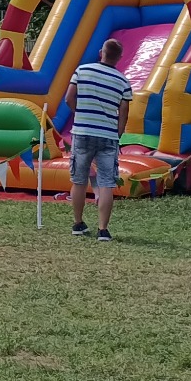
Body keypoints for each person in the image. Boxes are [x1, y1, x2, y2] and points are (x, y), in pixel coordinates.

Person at [60, 37, 134, 240]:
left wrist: (80, 113)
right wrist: (117, 133)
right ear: (119, 58)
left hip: (82, 132)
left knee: (79, 180)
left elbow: (68, 98)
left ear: (101, 52)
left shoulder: (82, 71)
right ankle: (103, 229)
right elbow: (124, 113)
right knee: (106, 183)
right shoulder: (123, 82)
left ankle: (78, 223)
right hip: (108, 135)